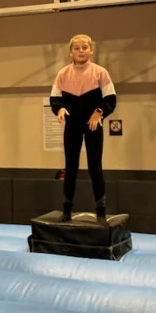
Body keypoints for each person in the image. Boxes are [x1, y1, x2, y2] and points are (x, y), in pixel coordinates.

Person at [50, 34, 117, 222]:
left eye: (84, 48)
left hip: (93, 125)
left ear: (91, 50)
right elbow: (55, 98)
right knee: (70, 167)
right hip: (72, 125)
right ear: (71, 52)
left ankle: (101, 211)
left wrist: (99, 112)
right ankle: (66, 211)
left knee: (95, 167)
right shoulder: (63, 74)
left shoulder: (100, 72)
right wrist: (60, 109)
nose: (81, 51)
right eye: (77, 48)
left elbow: (111, 99)